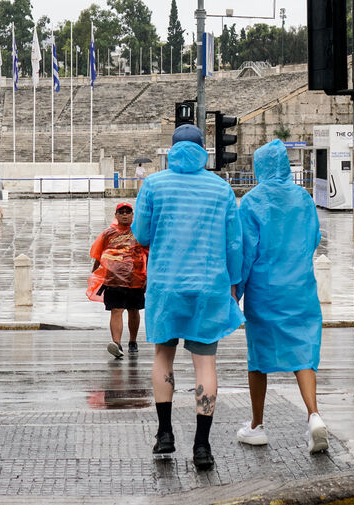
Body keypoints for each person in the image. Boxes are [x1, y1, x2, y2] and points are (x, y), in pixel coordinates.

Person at [132, 124, 244, 471]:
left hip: (167, 284)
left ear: (172, 149)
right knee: (205, 365)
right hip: (209, 286)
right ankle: (202, 446)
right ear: (203, 150)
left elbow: (140, 233)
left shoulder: (153, 184)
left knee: (163, 358)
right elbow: (233, 243)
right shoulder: (221, 188)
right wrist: (234, 285)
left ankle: (165, 434)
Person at [235, 139, 328, 454]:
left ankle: (257, 424)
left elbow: (245, 253)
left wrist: (237, 292)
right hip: (300, 287)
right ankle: (314, 415)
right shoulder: (303, 198)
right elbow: (314, 238)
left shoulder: (250, 202)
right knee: (304, 352)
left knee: (258, 358)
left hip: (265, 290)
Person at [87, 203, 148, 358]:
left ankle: (133, 341)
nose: (125, 215)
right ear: (116, 215)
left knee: (133, 310)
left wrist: (148, 275)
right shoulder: (108, 233)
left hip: (136, 278)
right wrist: (95, 274)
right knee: (116, 310)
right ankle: (117, 343)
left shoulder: (140, 233)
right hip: (113, 279)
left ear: (133, 215)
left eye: (128, 212)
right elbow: (98, 253)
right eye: (121, 212)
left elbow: (148, 253)